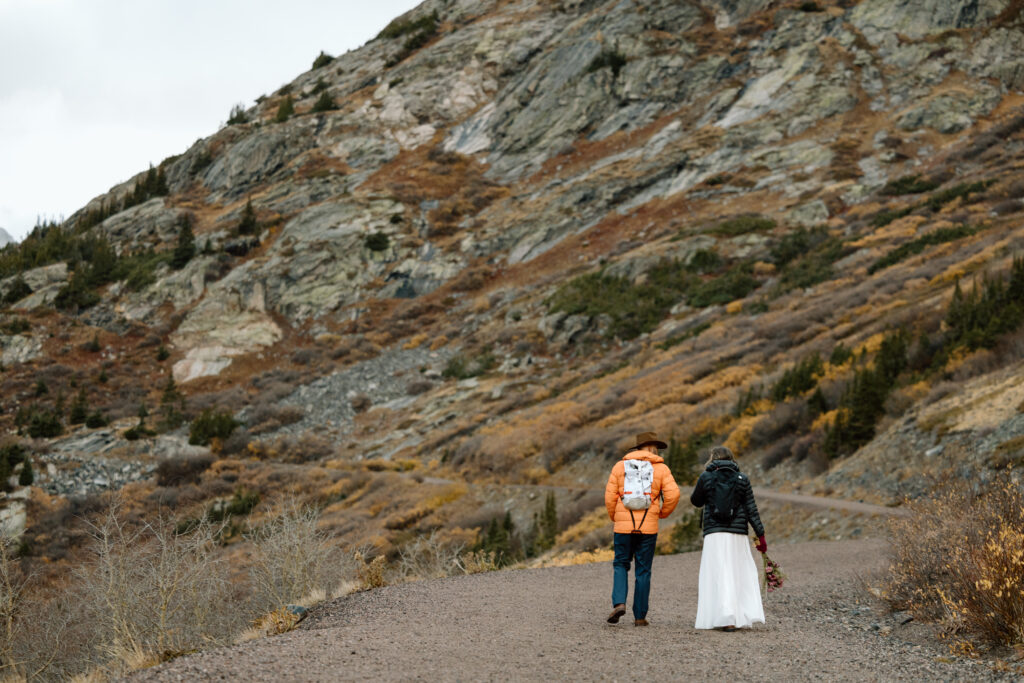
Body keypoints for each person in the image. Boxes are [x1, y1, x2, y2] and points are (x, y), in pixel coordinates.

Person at [604, 431, 680, 626]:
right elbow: (673, 495)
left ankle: (619, 603)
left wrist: (616, 517)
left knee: (621, 564)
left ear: (638, 448)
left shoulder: (620, 466)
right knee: (643, 570)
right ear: (654, 449)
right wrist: (661, 513)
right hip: (648, 527)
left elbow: (610, 497)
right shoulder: (661, 469)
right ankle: (640, 617)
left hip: (623, 526)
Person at [690, 445, 766, 631]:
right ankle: (738, 614)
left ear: (713, 458)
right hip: (737, 533)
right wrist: (760, 534)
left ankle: (725, 616)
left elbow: (696, 501)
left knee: (719, 572)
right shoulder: (742, 479)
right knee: (738, 572)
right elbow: (751, 508)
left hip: (714, 533)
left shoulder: (706, 477)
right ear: (732, 459)